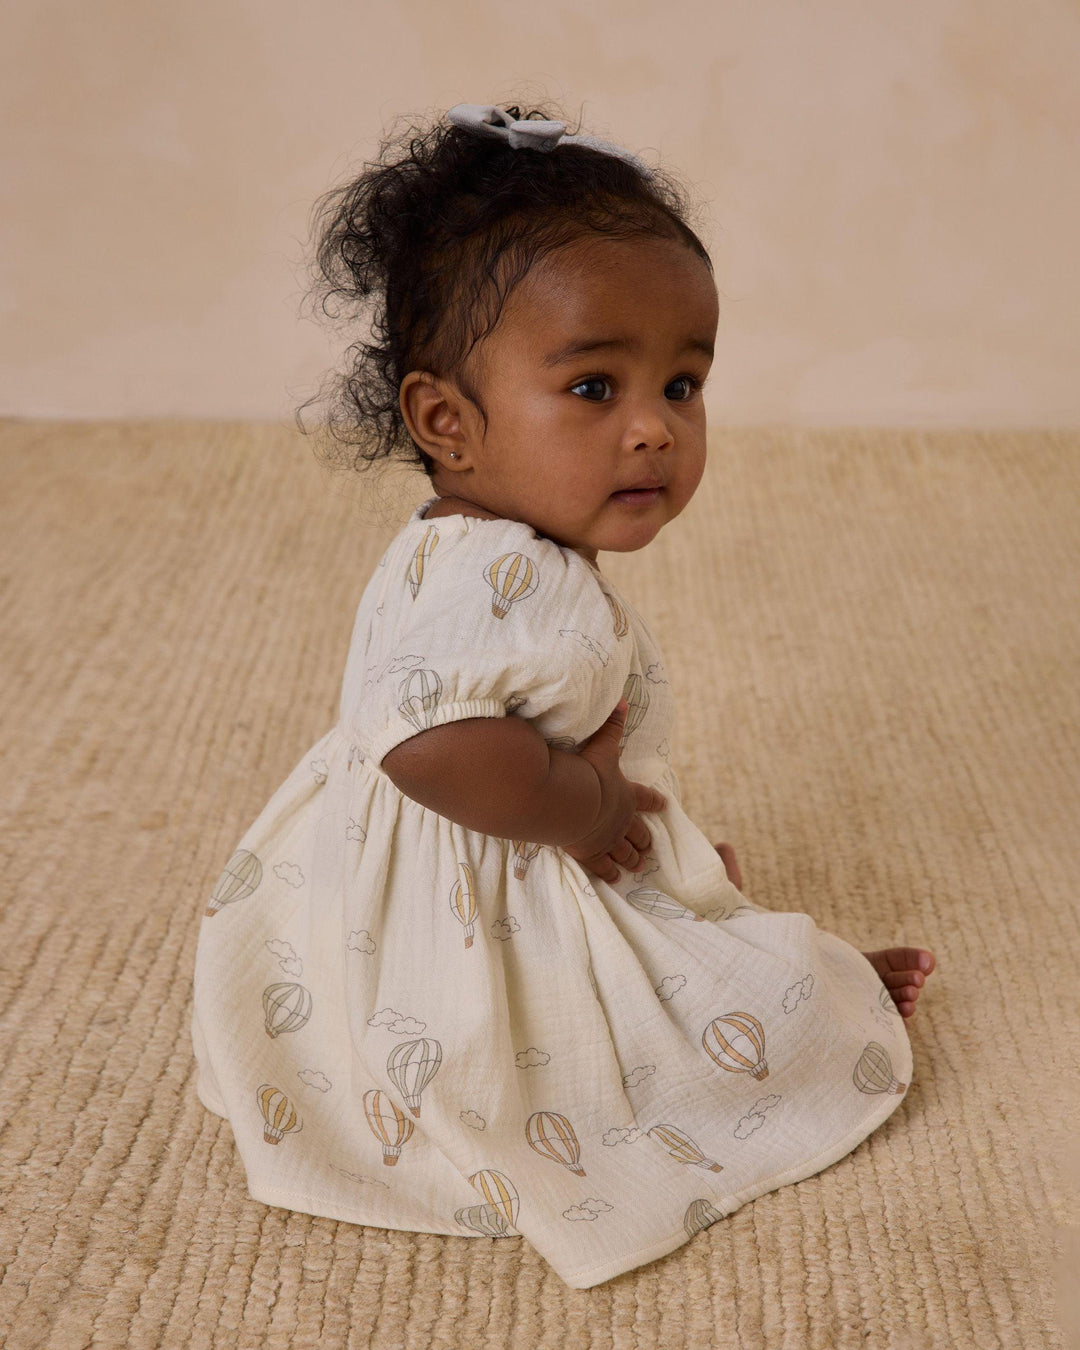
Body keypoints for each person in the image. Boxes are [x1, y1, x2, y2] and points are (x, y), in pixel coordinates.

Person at [190, 101, 936, 1290]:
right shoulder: (488, 571)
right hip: (474, 890)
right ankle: (799, 1007)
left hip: (495, 849)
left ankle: (703, 937)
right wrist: (587, 811)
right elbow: (430, 750)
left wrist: (605, 821)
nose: (653, 430)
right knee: (758, 1013)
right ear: (447, 421)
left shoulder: (495, 545)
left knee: (684, 905)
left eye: (683, 385)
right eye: (594, 388)